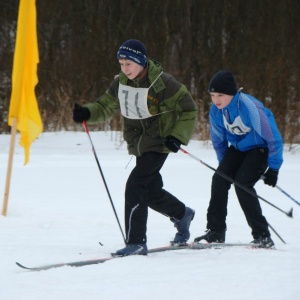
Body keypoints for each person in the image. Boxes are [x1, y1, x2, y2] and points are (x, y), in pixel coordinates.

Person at [73, 39, 198, 256]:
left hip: (159, 142)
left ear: (141, 61)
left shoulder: (163, 83)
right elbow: (104, 106)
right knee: (150, 192)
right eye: (121, 64)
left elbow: (188, 109)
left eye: (129, 63)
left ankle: (136, 242)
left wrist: (177, 136)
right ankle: (181, 214)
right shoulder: (120, 83)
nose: (125, 69)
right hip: (138, 144)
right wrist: (87, 113)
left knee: (135, 185)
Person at [195, 70, 283, 248]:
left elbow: (273, 138)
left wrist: (273, 169)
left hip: (260, 148)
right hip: (238, 149)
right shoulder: (216, 111)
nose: (216, 100)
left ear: (232, 94)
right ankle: (216, 232)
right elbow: (219, 141)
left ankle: (262, 236)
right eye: (212, 95)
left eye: (220, 95)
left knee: (243, 184)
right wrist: (224, 168)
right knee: (219, 180)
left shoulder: (249, 106)